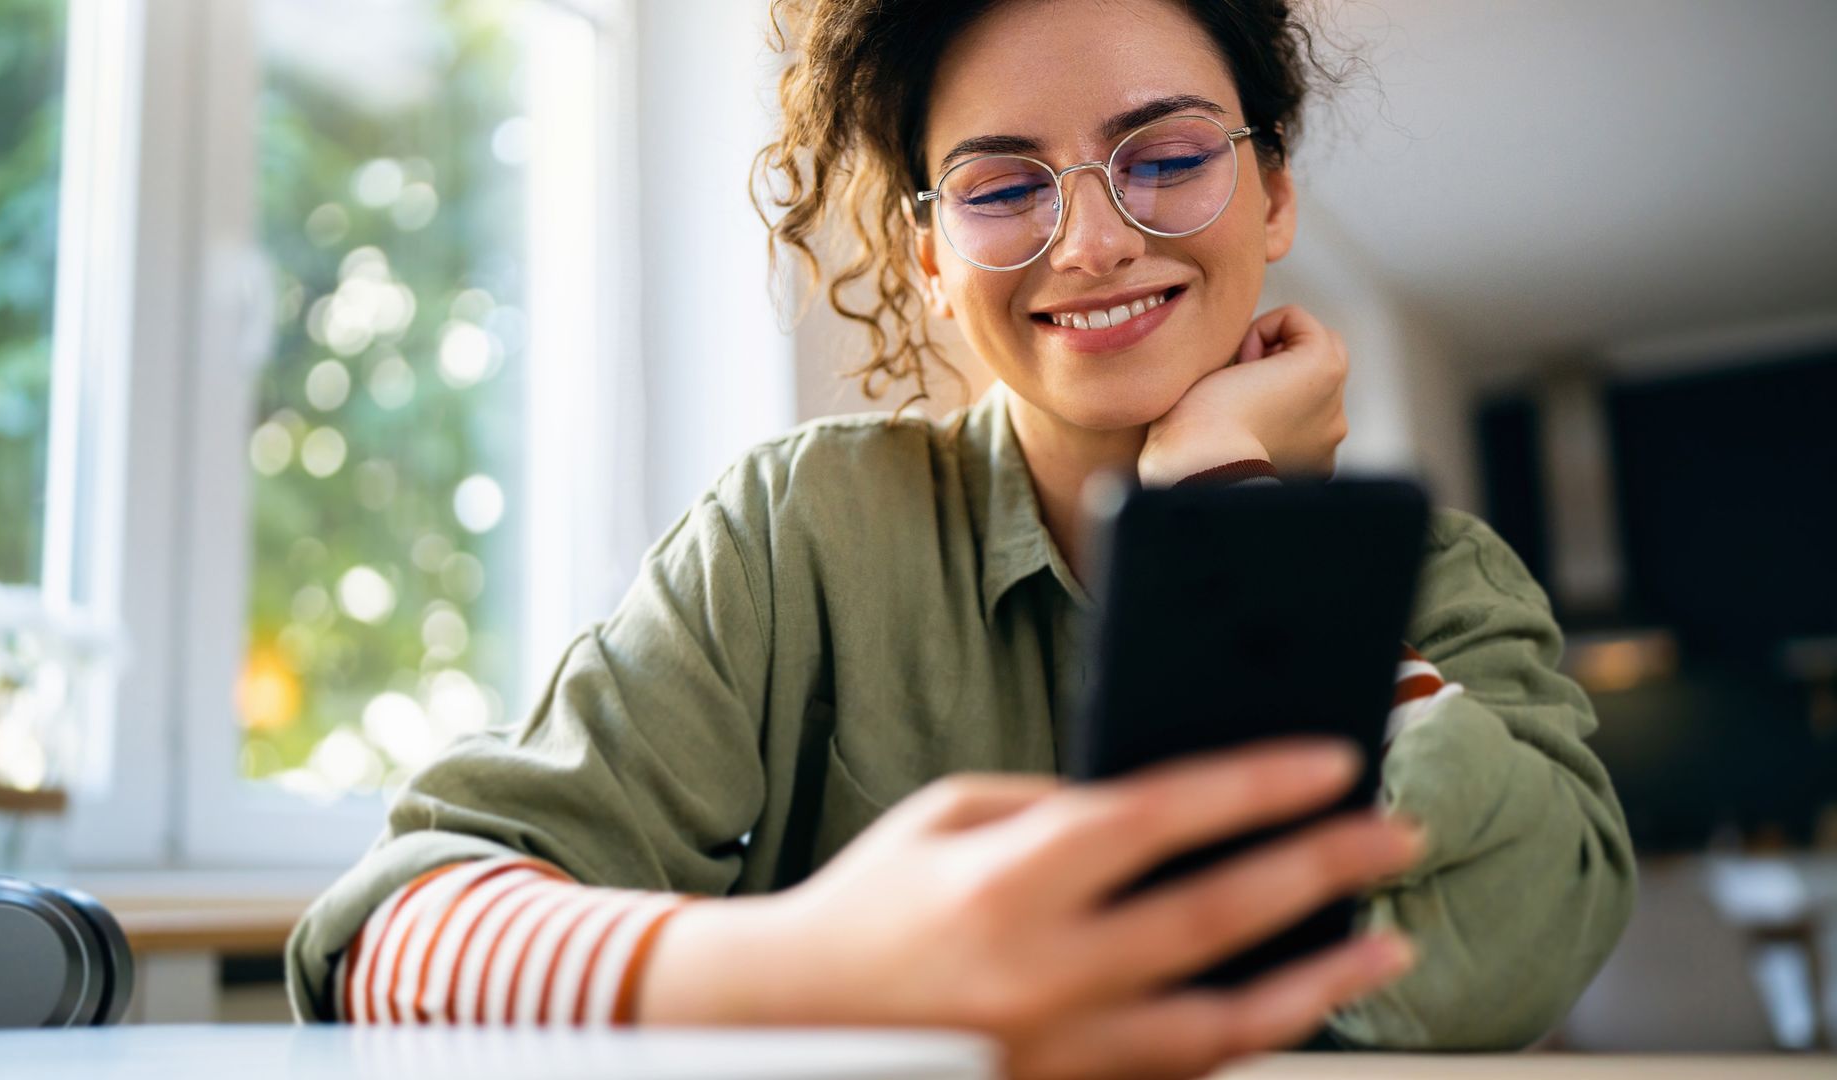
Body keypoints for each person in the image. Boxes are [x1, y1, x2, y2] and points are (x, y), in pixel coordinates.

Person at [287, 1, 1636, 1075]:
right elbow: (388, 936)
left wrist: (1226, 504)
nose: (1096, 241)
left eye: (1165, 158)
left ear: (1272, 193)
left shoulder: (1446, 582)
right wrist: (810, 970)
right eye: (1002, 190)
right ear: (931, 259)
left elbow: (1516, 950)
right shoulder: (796, 531)